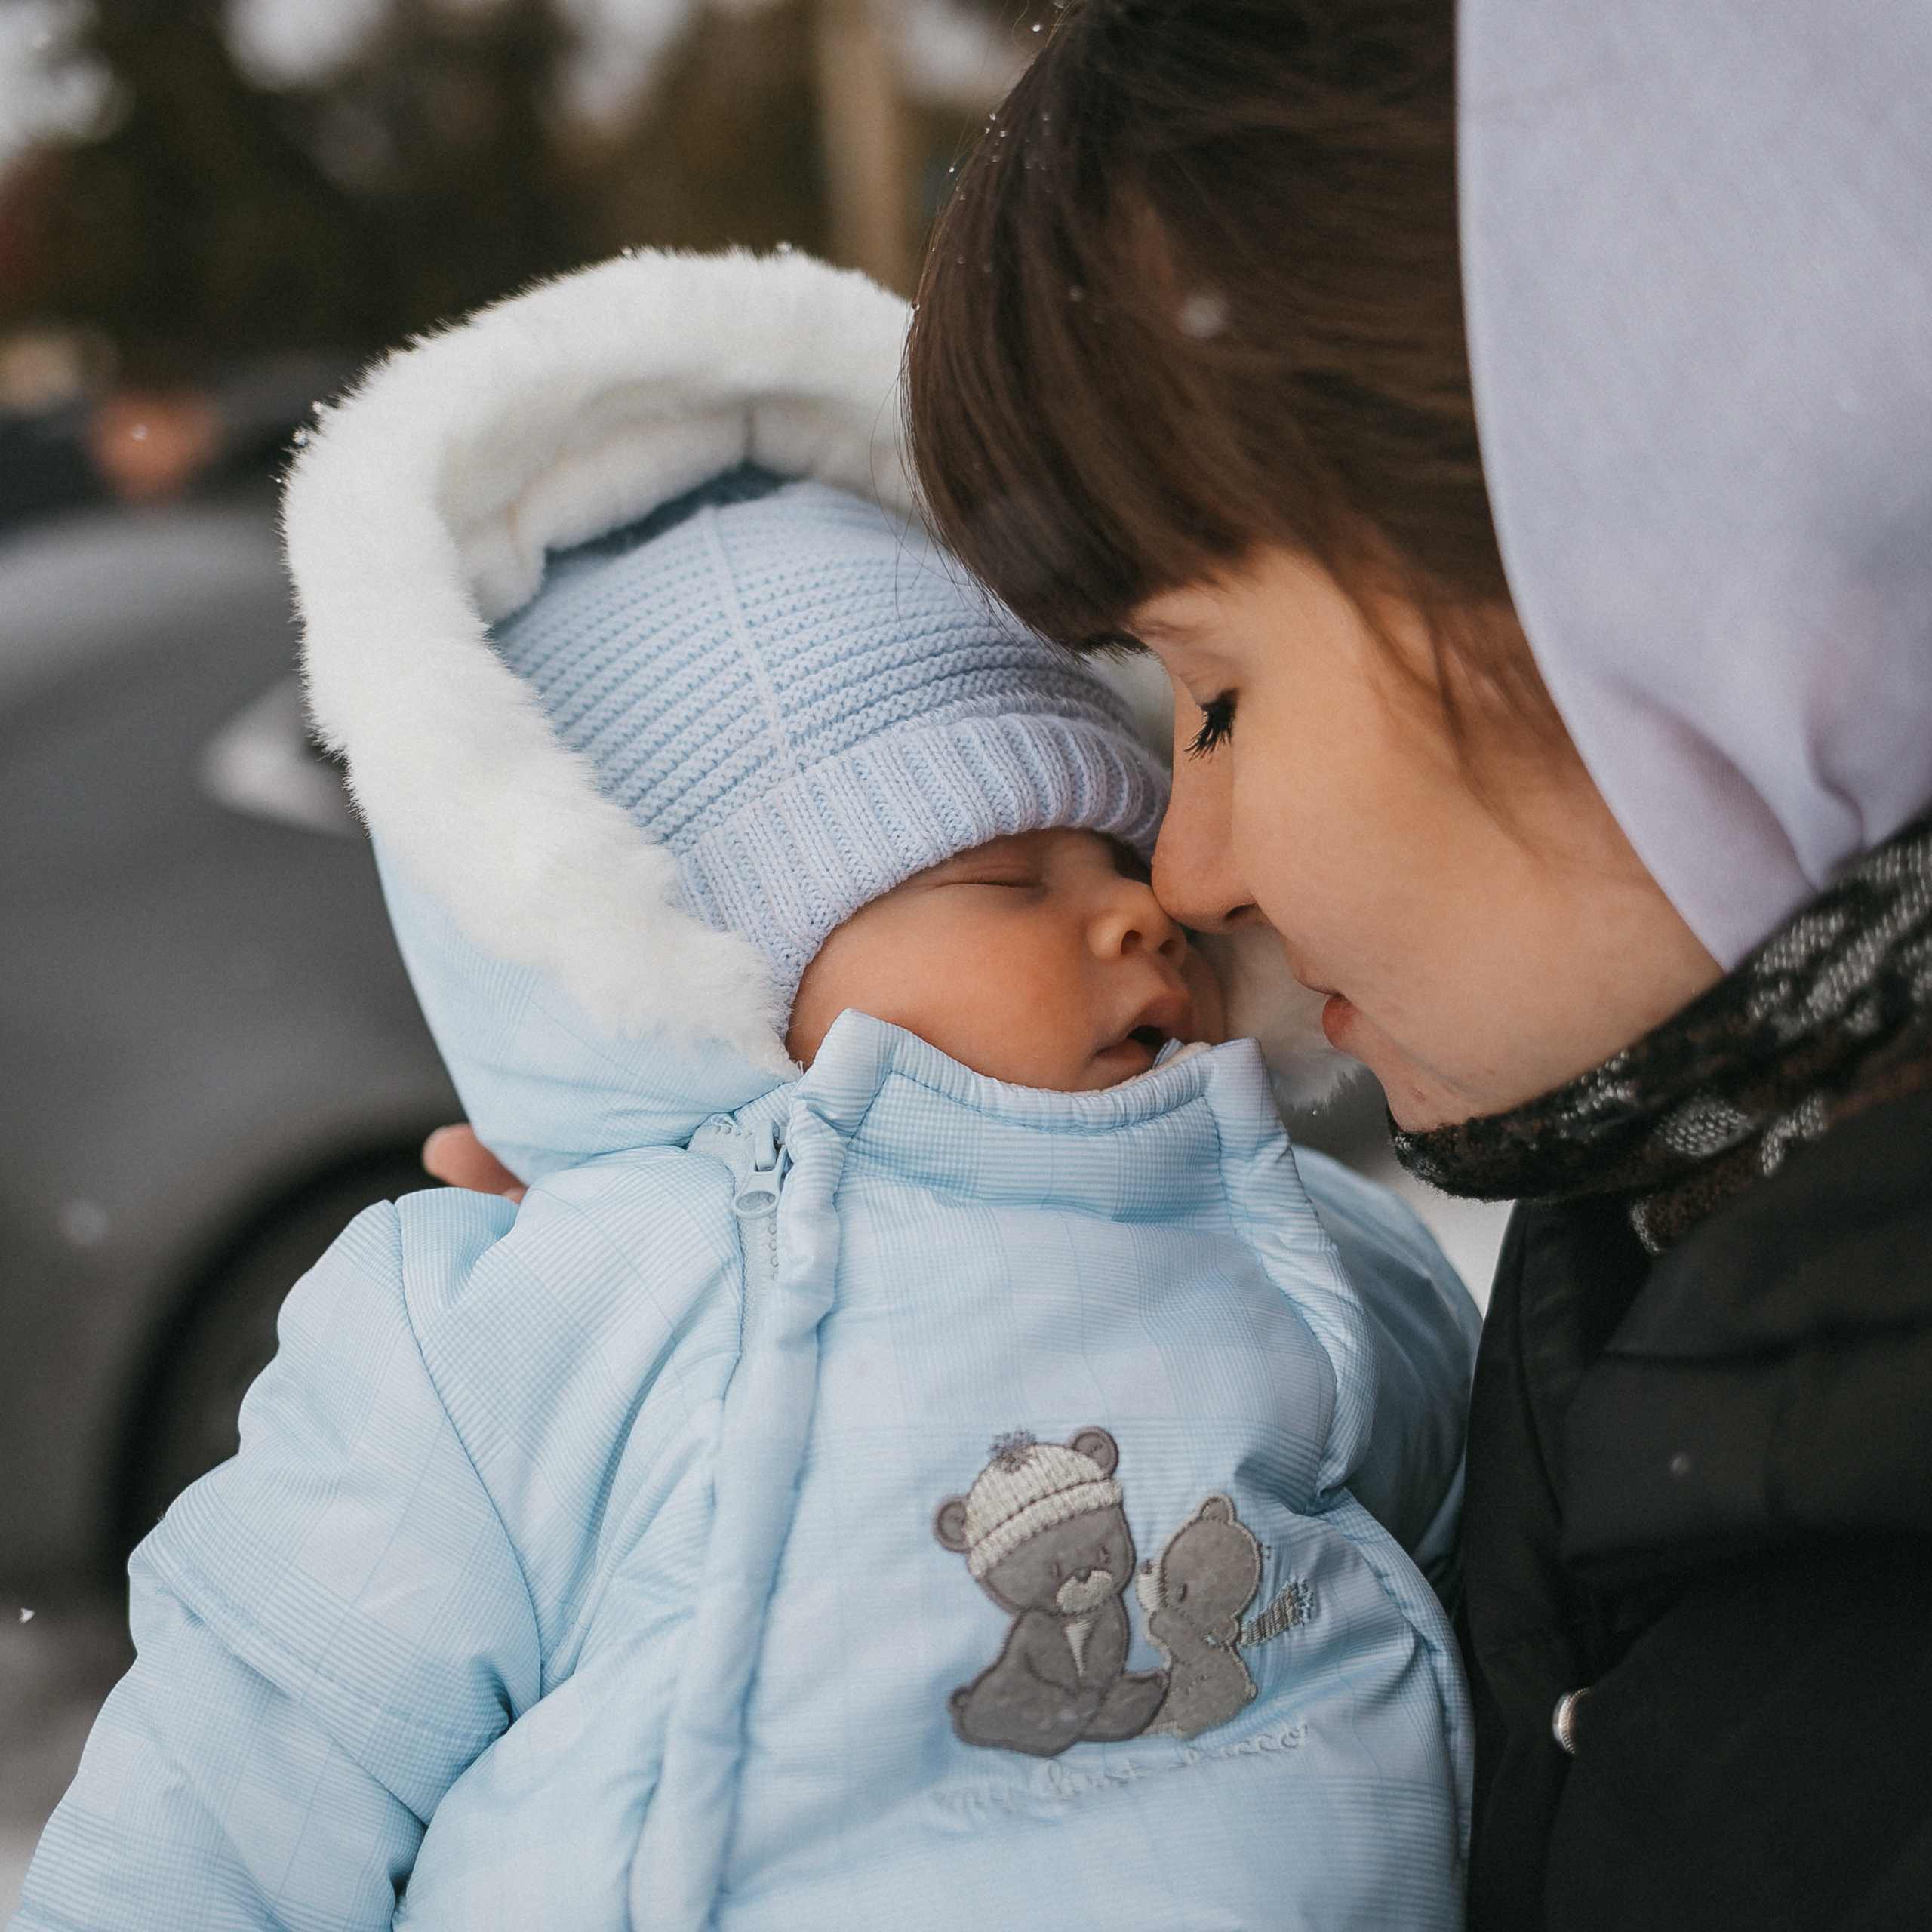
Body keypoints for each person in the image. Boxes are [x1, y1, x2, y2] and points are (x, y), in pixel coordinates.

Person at [13, 248, 1480, 1932]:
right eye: (1004, 875)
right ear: (709, 985)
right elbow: (247, 1773)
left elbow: (1493, 1599)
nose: (1138, 912)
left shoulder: (1324, 1256)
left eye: (1121, 852)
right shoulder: (548, 1326)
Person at [903, 1, 1932, 1927]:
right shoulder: (1659, 1226)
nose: (1187, 869)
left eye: (1212, 691)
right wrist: (745, 1345)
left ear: (1657, 580)